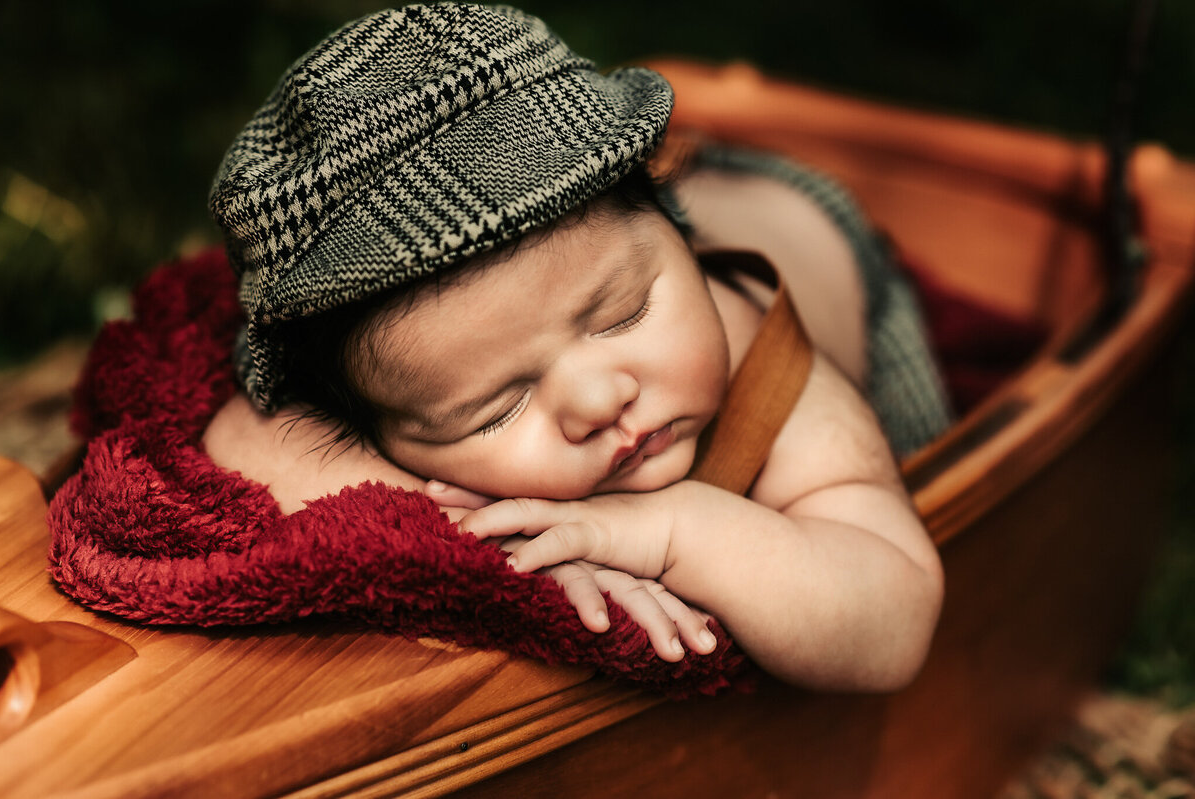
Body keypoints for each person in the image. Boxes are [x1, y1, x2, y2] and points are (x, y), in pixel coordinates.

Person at [203, 3, 947, 690]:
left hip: (814, 239)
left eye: (623, 314)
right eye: (497, 407)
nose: (598, 400)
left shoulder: (767, 362)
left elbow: (898, 614)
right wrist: (476, 536)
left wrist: (672, 530)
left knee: (927, 457)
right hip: (659, 208)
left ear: (675, 241)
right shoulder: (394, 376)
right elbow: (247, 437)